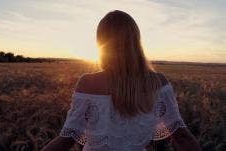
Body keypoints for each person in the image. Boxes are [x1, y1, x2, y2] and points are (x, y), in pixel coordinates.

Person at [42, 10, 201, 151]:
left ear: (101, 44)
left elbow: (66, 140)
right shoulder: (159, 82)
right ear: (136, 42)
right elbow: (182, 137)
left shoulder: (88, 83)